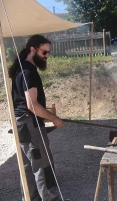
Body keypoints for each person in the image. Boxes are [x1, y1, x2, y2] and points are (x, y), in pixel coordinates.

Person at [9, 34, 64, 201]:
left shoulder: (20, 68)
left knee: (28, 162)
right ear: (33, 49)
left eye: (48, 53)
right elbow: (32, 105)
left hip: (22, 122)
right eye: (44, 52)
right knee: (38, 159)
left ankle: (29, 196)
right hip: (30, 122)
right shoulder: (28, 71)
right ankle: (44, 196)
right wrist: (54, 118)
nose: (47, 56)